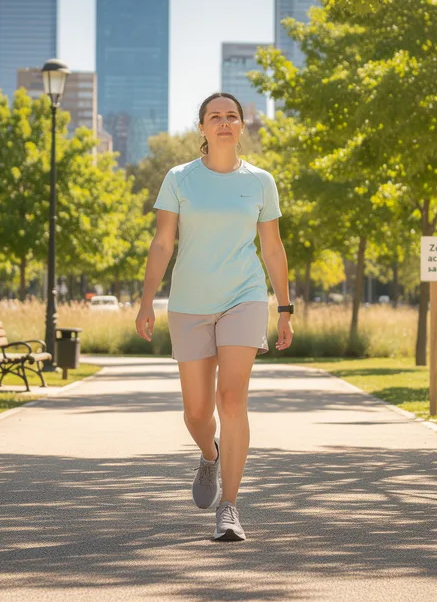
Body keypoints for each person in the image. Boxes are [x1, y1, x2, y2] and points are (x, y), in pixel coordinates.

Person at [135, 91, 294, 542]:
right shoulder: (179, 178)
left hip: (244, 298)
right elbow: (164, 242)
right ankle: (209, 454)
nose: (224, 122)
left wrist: (284, 308)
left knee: (232, 400)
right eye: (215, 117)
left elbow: (272, 248)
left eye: (232, 116)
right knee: (197, 412)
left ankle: (230, 505)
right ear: (202, 128)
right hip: (189, 303)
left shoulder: (261, 181)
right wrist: (147, 301)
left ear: (241, 126)